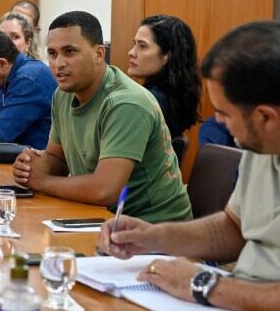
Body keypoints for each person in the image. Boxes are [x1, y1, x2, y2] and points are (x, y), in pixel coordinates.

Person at [99, 21, 280, 309]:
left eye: (224, 113)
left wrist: (204, 285)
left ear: (266, 118)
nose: (218, 122)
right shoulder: (261, 147)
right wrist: (153, 236)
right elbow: (233, 228)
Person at [12, 11, 191, 223]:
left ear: (99, 54)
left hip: (153, 230)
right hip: (100, 218)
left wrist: (41, 181)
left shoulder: (126, 103)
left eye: (70, 52)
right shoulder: (62, 95)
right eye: (52, 53)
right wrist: (30, 166)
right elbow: (57, 160)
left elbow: (104, 190)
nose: (58, 63)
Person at [127, 15, 200, 138]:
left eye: (142, 46)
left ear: (167, 56)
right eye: (134, 44)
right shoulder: (175, 99)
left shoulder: (147, 102)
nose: (131, 53)